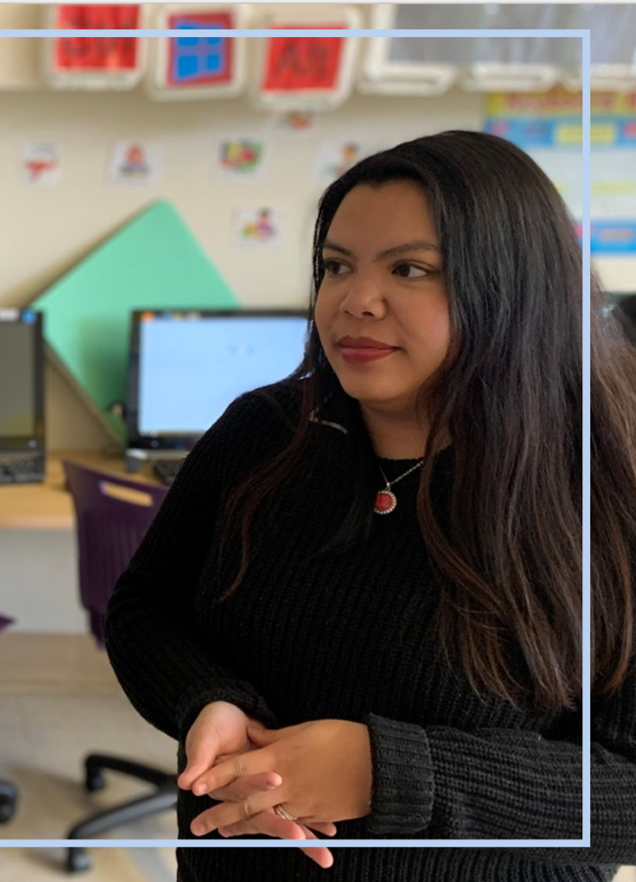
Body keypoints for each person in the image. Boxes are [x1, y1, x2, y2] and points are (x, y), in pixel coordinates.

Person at [106, 130, 636, 880]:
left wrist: (393, 772)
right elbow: (145, 606)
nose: (355, 301)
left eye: (410, 269)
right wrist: (206, 701)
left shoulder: (607, 490)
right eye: (335, 266)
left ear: (513, 286)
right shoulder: (264, 433)